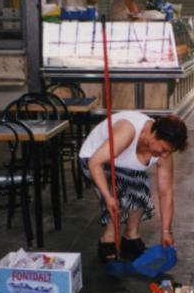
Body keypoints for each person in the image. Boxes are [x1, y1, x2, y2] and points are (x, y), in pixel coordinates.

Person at [79, 111, 188, 262]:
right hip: (95, 160)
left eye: (169, 152)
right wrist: (108, 197)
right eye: (163, 149)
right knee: (119, 197)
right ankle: (107, 239)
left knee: (140, 190)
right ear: (154, 135)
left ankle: (130, 237)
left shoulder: (164, 153)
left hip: (121, 164)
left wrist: (166, 231)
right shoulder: (127, 131)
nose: (164, 155)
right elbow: (94, 163)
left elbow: (166, 193)